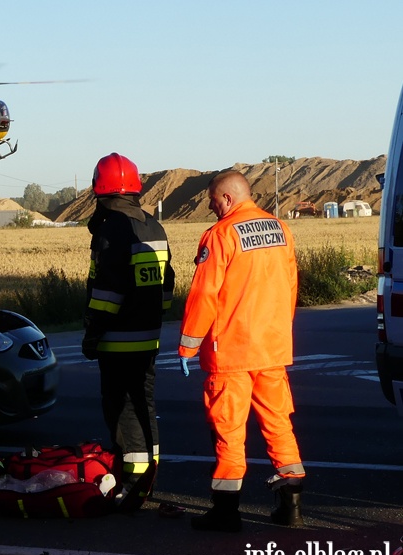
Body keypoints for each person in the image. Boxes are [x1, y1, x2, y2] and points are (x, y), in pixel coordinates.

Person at [179, 170, 305, 532]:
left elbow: (204, 295)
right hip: (272, 349)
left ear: (228, 199)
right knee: (279, 425)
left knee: (229, 433)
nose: (210, 208)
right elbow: (290, 285)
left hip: (232, 353)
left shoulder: (220, 235)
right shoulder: (280, 229)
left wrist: (187, 346)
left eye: (213, 201)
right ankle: (292, 508)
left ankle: (225, 512)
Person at [81, 153, 174, 510]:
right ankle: (148, 475)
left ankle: (133, 483)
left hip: (117, 339)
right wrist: (152, 316)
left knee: (121, 411)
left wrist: (93, 334)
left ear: (100, 190)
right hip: (148, 336)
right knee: (145, 405)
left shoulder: (112, 229)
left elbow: (106, 290)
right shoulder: (153, 226)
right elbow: (167, 282)